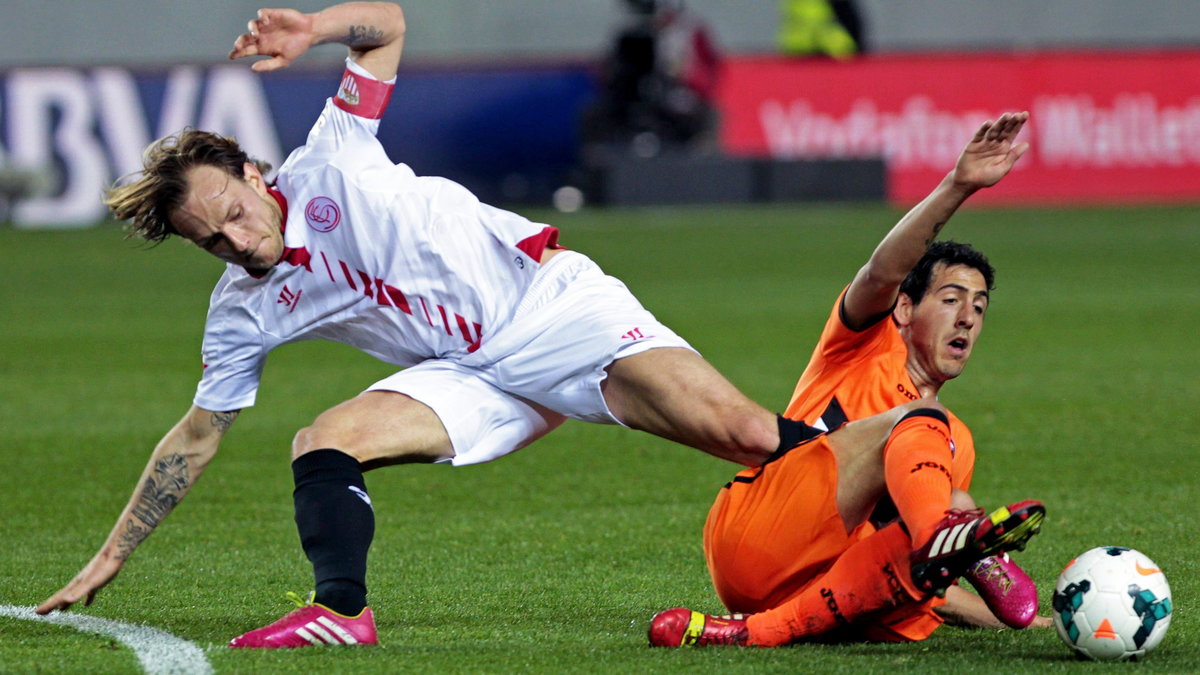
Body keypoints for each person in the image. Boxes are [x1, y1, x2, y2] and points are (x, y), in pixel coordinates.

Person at [35, 2, 816, 649]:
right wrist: (110, 554)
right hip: (471, 376)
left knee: (744, 434)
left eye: (234, 215)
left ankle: (899, 482)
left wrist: (314, 30)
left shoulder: (334, 153)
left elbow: (390, 25)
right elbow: (199, 433)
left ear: (252, 173)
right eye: (212, 240)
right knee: (323, 440)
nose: (238, 243)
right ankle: (341, 612)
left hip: (553, 312)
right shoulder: (242, 306)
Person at [648, 114, 1048, 647]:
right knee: (931, 449)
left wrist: (1008, 620)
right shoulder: (863, 342)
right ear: (905, 309)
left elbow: (913, 571)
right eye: (950, 300)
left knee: (943, 506)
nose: (967, 318)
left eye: (979, 307)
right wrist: (958, 186)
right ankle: (955, 538)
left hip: (823, 589)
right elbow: (884, 271)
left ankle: (754, 633)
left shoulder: (956, 444)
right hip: (760, 530)